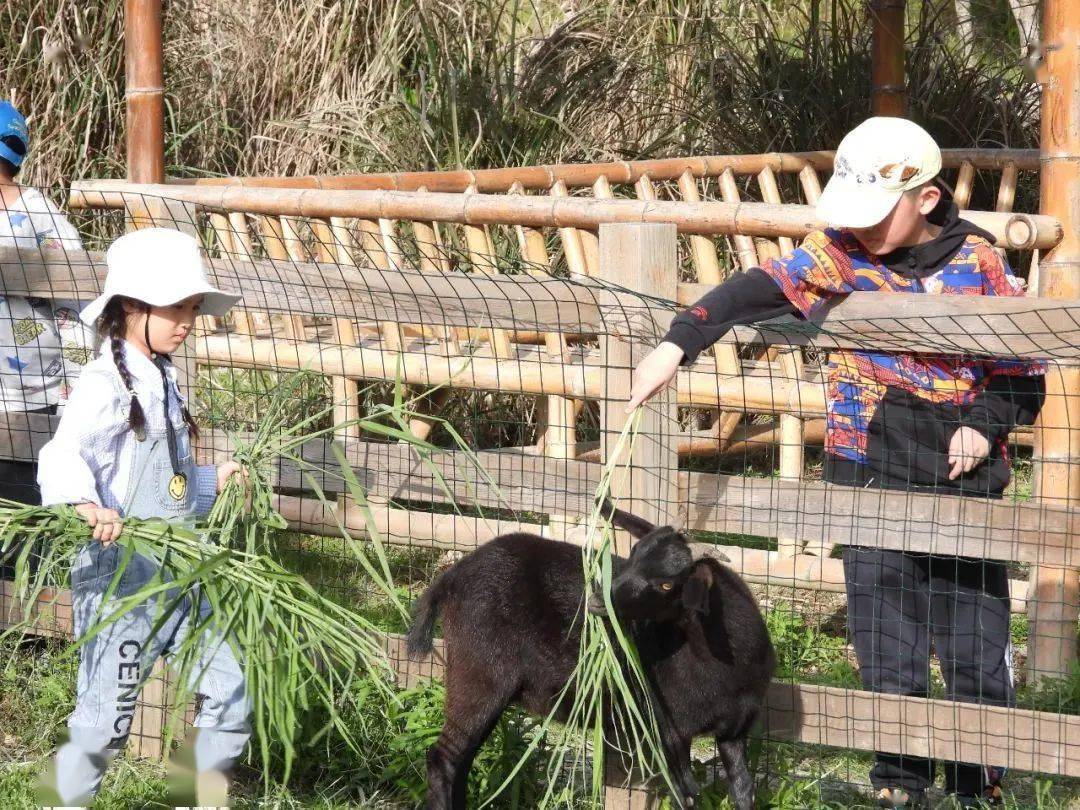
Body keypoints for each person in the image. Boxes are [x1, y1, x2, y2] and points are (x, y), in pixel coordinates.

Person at [627, 117, 1045, 809]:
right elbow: (753, 287)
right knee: (887, 639)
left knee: (973, 637)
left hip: (959, 471)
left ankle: (978, 787)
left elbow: (1025, 368)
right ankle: (900, 787)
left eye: (880, 214)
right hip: (867, 464)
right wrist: (678, 344)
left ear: (928, 199)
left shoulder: (981, 265)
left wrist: (982, 426)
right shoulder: (836, 253)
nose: (865, 229)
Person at [34, 227, 249, 807]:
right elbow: (62, 453)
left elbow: (165, 484)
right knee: (103, 727)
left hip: (182, 571)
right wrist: (85, 505)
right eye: (177, 307)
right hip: (122, 583)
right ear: (132, 306)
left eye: (192, 309)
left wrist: (211, 480)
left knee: (231, 694)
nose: (187, 320)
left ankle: (195, 798)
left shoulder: (165, 379)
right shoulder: (104, 384)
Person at [0, 99, 92, 505]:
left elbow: (74, 299)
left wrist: (77, 380)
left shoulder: (38, 214)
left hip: (32, 394)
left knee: (24, 503)